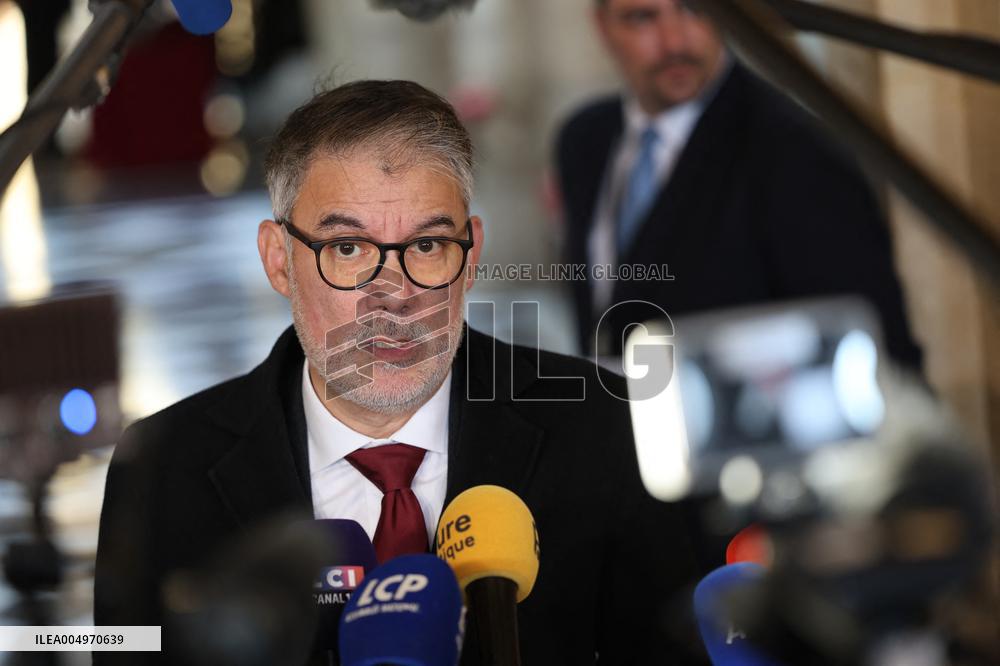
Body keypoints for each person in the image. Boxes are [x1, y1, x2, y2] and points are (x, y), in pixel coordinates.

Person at [95, 80, 704, 665]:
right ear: (279, 261)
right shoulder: (164, 463)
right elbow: (131, 652)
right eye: (349, 249)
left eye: (427, 246)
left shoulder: (612, 427)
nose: (393, 294)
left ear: (471, 258)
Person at [556, 0, 922, 368]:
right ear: (602, 27)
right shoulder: (585, 141)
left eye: (696, 9)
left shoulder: (798, 150)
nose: (675, 43)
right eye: (643, 18)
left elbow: (875, 351)